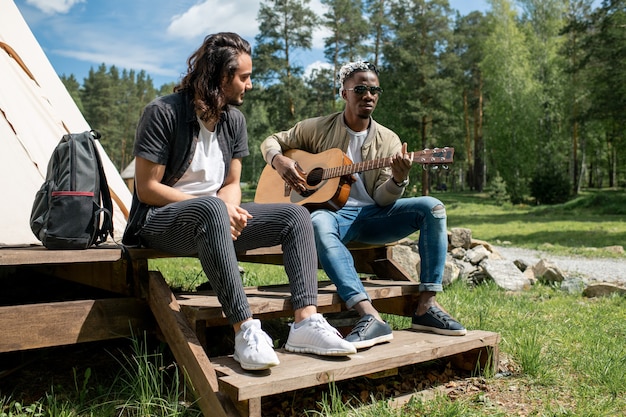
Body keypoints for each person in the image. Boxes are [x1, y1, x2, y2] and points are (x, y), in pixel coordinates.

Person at [122, 32, 356, 371]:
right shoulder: (162, 113)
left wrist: (228, 208)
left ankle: (305, 323)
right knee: (213, 207)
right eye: (243, 77)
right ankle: (244, 329)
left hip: (216, 218)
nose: (249, 84)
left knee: (294, 216)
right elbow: (147, 188)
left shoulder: (234, 120)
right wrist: (217, 208)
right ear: (220, 77)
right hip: (160, 221)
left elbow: (232, 183)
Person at [260, 60, 467, 350]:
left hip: (373, 216)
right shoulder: (317, 127)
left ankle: (426, 307)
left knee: (432, 207)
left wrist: (398, 179)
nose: (368, 95)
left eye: (374, 90)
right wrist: (279, 161)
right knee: (318, 221)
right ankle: (368, 315)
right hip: (333, 216)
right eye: (360, 89)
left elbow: (383, 199)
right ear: (344, 93)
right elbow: (271, 140)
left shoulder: (389, 140)